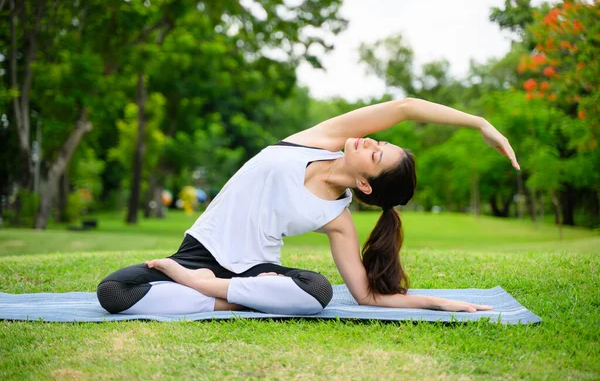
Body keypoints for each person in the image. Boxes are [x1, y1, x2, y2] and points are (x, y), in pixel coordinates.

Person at [97, 98, 520, 315]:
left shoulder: (337, 218)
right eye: (380, 143)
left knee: (317, 293)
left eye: (375, 155)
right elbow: (404, 108)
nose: (370, 141)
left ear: (364, 186)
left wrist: (438, 303)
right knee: (113, 292)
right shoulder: (317, 139)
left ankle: (209, 290)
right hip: (197, 254)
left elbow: (366, 296)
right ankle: (231, 295)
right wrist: (481, 124)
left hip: (251, 272)